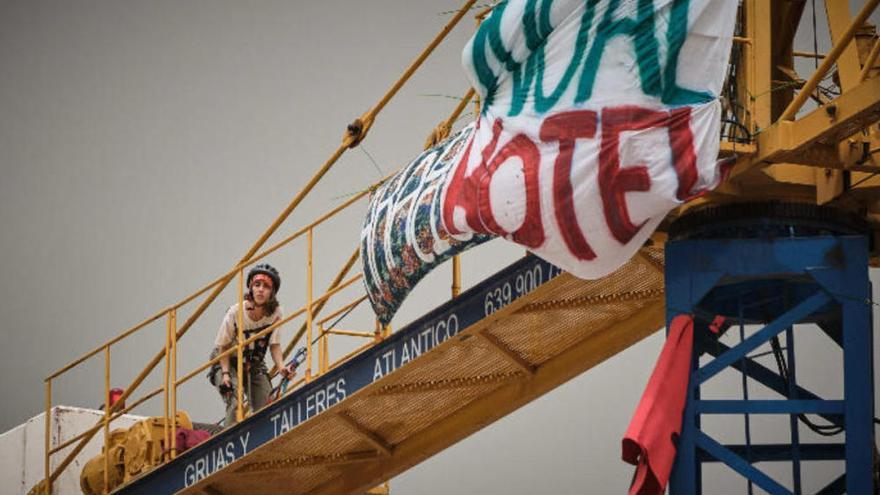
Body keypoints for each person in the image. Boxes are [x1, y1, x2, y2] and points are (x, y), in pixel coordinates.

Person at [211, 263, 294, 426]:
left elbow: (274, 344)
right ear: (251, 288)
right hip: (227, 360)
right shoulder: (236, 312)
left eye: (266, 286)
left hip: (253, 362)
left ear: (272, 292)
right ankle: (230, 441)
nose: (261, 290)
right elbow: (223, 347)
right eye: (257, 285)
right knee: (235, 403)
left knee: (267, 406)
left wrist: (282, 367)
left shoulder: (276, 313)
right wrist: (226, 375)